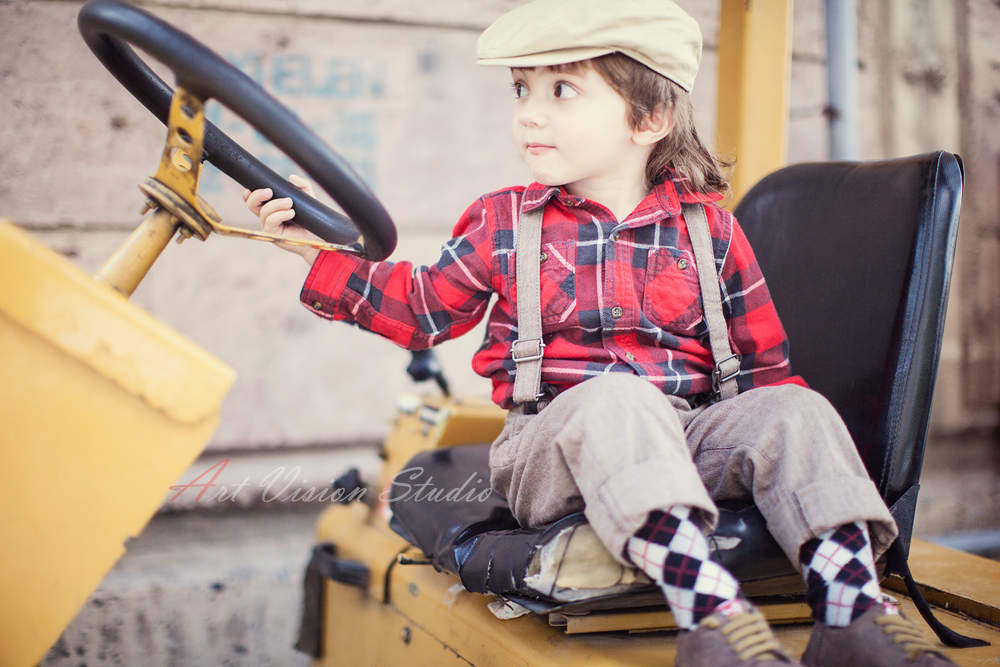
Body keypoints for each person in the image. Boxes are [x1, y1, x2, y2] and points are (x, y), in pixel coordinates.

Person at [244, 1, 956, 665]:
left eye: (562, 92)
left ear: (648, 116)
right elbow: (421, 308)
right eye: (522, 90)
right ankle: (711, 613)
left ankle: (852, 610)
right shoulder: (504, 222)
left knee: (796, 409)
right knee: (618, 398)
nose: (529, 115)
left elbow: (762, 371)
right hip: (552, 447)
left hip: (681, 441)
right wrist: (317, 256)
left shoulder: (710, 231)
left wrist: (790, 448)